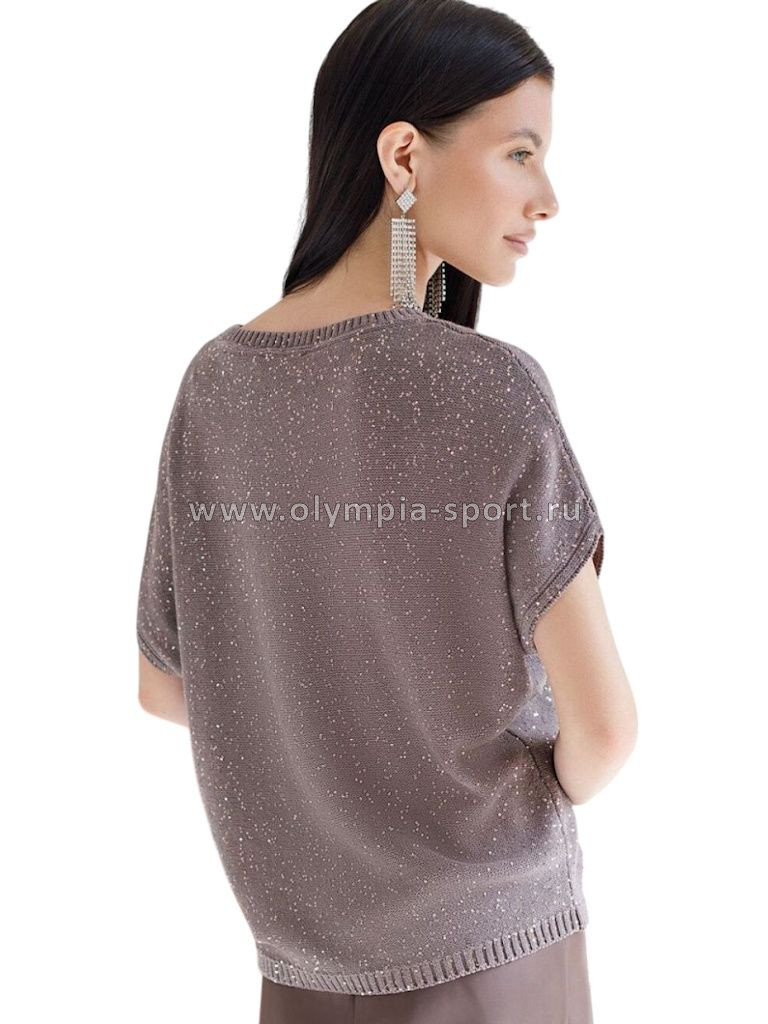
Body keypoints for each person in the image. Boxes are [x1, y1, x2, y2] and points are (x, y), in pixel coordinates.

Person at [136, 1, 638, 1021]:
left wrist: (326, 758)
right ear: (404, 154)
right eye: (520, 152)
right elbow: (605, 731)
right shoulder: (492, 388)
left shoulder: (214, 386)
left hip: (302, 971)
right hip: (497, 962)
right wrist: (459, 803)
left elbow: (166, 686)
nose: (547, 198)